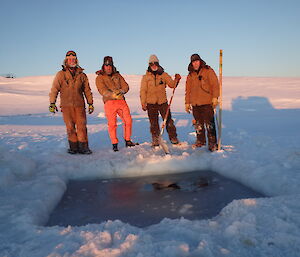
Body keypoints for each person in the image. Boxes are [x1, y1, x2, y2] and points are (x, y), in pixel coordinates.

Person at [49, 50, 94, 154]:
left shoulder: (82, 75)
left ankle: (84, 148)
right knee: (70, 127)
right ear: (66, 60)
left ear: (76, 60)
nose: (71, 60)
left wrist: (90, 103)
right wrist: (52, 102)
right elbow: (54, 89)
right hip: (66, 106)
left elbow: (87, 90)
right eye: (69, 59)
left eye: (73, 59)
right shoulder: (61, 74)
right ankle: (73, 148)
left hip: (79, 106)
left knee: (82, 127)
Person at [95, 56, 138, 152]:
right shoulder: (100, 77)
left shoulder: (118, 76)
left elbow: (126, 86)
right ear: (103, 66)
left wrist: (122, 91)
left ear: (112, 65)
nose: (108, 67)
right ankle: (114, 143)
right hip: (109, 102)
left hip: (121, 101)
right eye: (106, 65)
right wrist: (112, 95)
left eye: (110, 65)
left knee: (128, 121)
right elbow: (102, 90)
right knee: (112, 124)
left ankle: (128, 140)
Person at [140, 54, 181, 147]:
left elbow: (172, 84)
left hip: (163, 102)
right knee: (153, 123)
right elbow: (143, 90)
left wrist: (176, 80)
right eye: (151, 64)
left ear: (158, 64)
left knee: (169, 121)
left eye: (155, 63)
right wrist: (143, 102)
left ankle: (173, 137)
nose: (153, 65)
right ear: (149, 65)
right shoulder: (146, 77)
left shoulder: (164, 75)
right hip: (151, 103)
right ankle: (155, 139)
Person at [185, 53, 220, 151]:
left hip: (207, 102)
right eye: (193, 62)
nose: (195, 64)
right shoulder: (190, 75)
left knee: (210, 125)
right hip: (195, 104)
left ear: (200, 61)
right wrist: (187, 103)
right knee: (198, 125)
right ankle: (201, 141)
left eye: (197, 61)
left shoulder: (208, 71)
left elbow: (215, 85)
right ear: (191, 64)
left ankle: (212, 144)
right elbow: (188, 90)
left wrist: (215, 97)